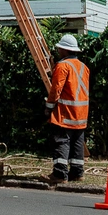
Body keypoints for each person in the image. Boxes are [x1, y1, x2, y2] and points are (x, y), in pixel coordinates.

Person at [45, 34, 90, 183]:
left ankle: (59, 174)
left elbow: (56, 89)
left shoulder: (62, 66)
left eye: (60, 48)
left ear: (65, 50)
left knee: (61, 141)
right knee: (77, 142)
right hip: (81, 114)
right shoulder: (84, 67)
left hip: (65, 113)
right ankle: (77, 173)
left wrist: (49, 107)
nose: (58, 50)